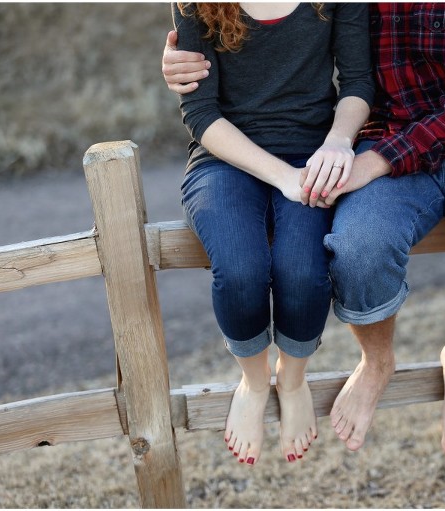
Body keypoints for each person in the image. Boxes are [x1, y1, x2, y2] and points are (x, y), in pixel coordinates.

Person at [163, 3, 445, 455]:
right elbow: (233, 67)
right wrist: (178, 56)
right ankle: (374, 362)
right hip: (384, 132)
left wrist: (363, 157)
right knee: (354, 249)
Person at [169, 2, 373, 465]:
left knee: (302, 272)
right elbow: (199, 112)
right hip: (224, 158)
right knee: (241, 270)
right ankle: (255, 381)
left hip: (314, 151)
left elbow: (358, 82)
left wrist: (338, 141)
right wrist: (282, 176)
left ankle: (294, 378)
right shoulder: (195, 3)